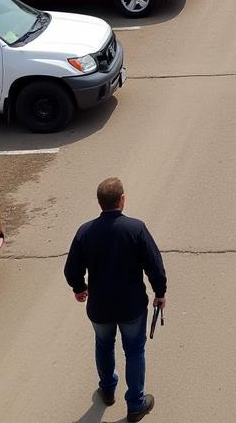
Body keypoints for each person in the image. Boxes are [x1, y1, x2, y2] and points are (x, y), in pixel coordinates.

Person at [64, 178, 166, 422]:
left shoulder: (85, 231)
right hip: (132, 306)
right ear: (122, 200)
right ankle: (135, 404)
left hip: (100, 306)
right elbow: (155, 266)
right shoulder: (136, 228)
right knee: (134, 351)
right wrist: (160, 293)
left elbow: (71, 269)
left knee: (103, 345)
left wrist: (79, 287)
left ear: (100, 203)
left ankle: (108, 389)